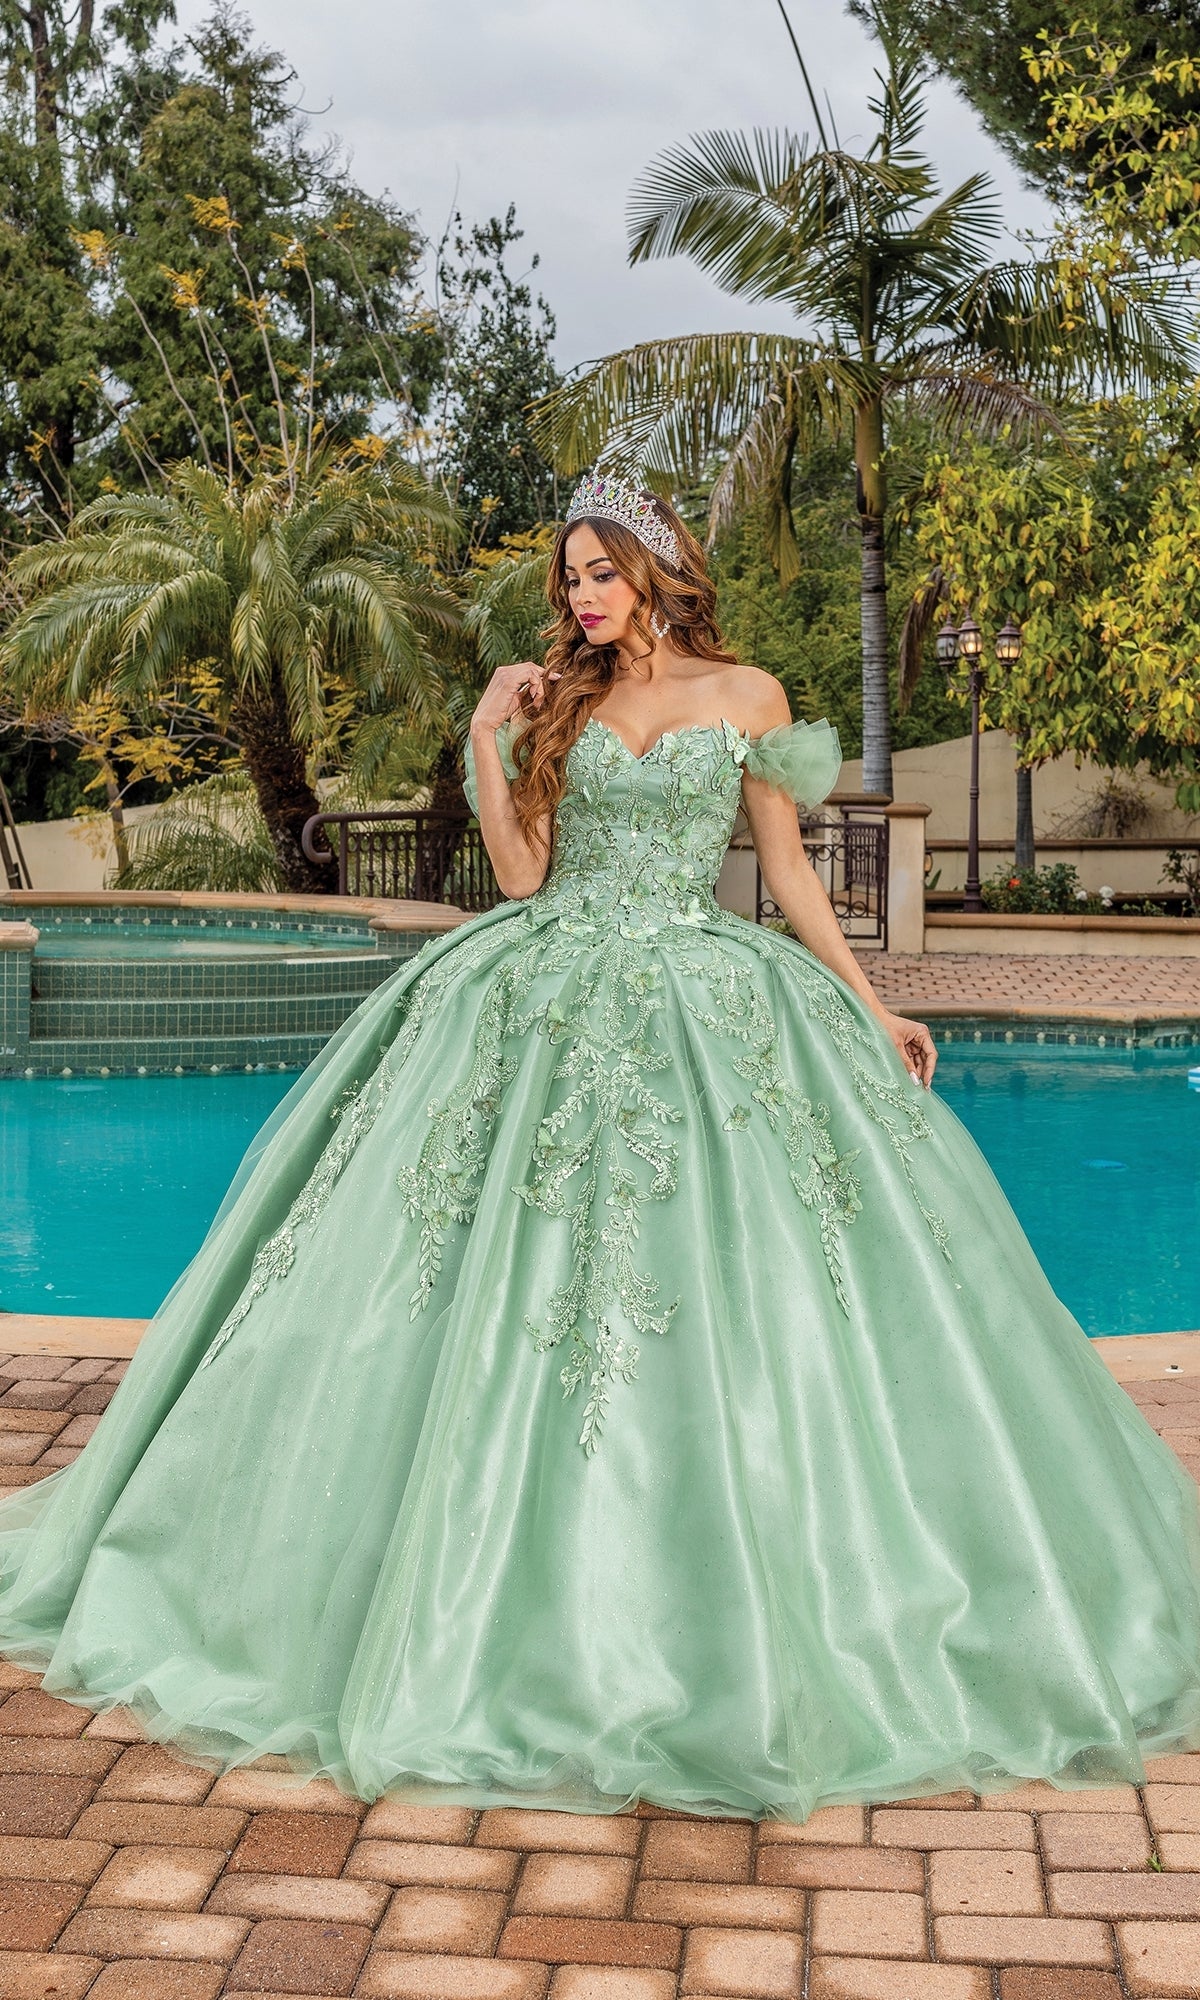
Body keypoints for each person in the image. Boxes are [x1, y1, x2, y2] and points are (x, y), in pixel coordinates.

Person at [1, 472, 1199, 1824]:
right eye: (568, 576)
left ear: (655, 568)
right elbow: (518, 876)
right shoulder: (556, 702)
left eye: (599, 571)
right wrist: (483, 734)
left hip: (705, 995)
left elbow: (786, 870)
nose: (580, 595)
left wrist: (872, 1002)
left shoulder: (747, 698)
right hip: (537, 991)